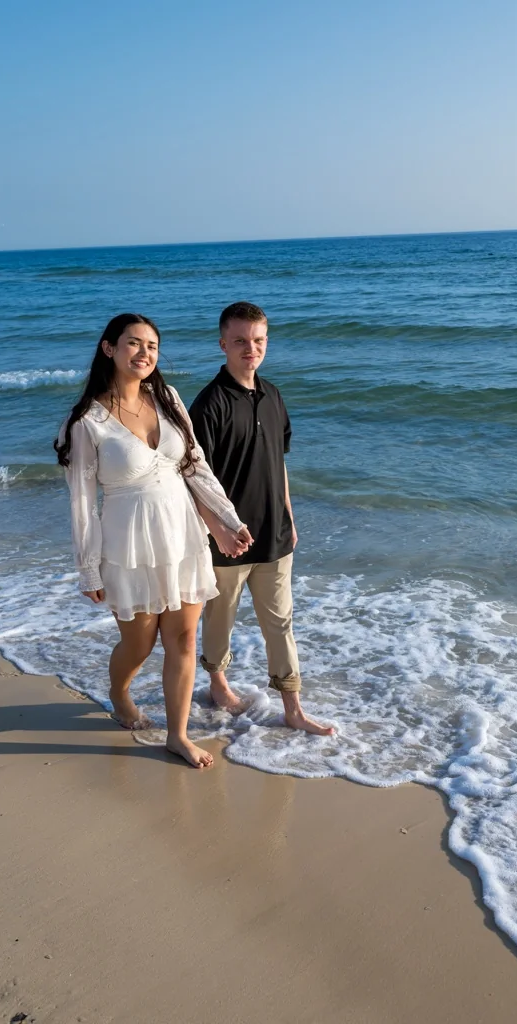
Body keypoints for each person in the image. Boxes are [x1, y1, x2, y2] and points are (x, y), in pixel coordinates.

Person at [54, 313, 253, 769]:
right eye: (134, 344)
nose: (145, 353)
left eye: (153, 346)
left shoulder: (167, 397)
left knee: (183, 640)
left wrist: (227, 519)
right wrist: (88, 566)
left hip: (183, 535)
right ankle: (119, 691)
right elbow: (82, 502)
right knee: (140, 646)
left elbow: (196, 466)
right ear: (109, 349)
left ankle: (178, 735)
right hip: (130, 546)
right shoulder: (88, 421)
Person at [188, 302, 334, 736]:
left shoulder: (273, 394)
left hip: (274, 535)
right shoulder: (208, 404)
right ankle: (217, 684)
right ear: (223, 344)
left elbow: (278, 463)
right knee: (220, 620)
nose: (250, 349)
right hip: (228, 539)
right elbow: (193, 479)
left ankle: (293, 707)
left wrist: (288, 514)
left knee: (280, 622)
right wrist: (219, 529)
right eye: (240, 341)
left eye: (258, 341)